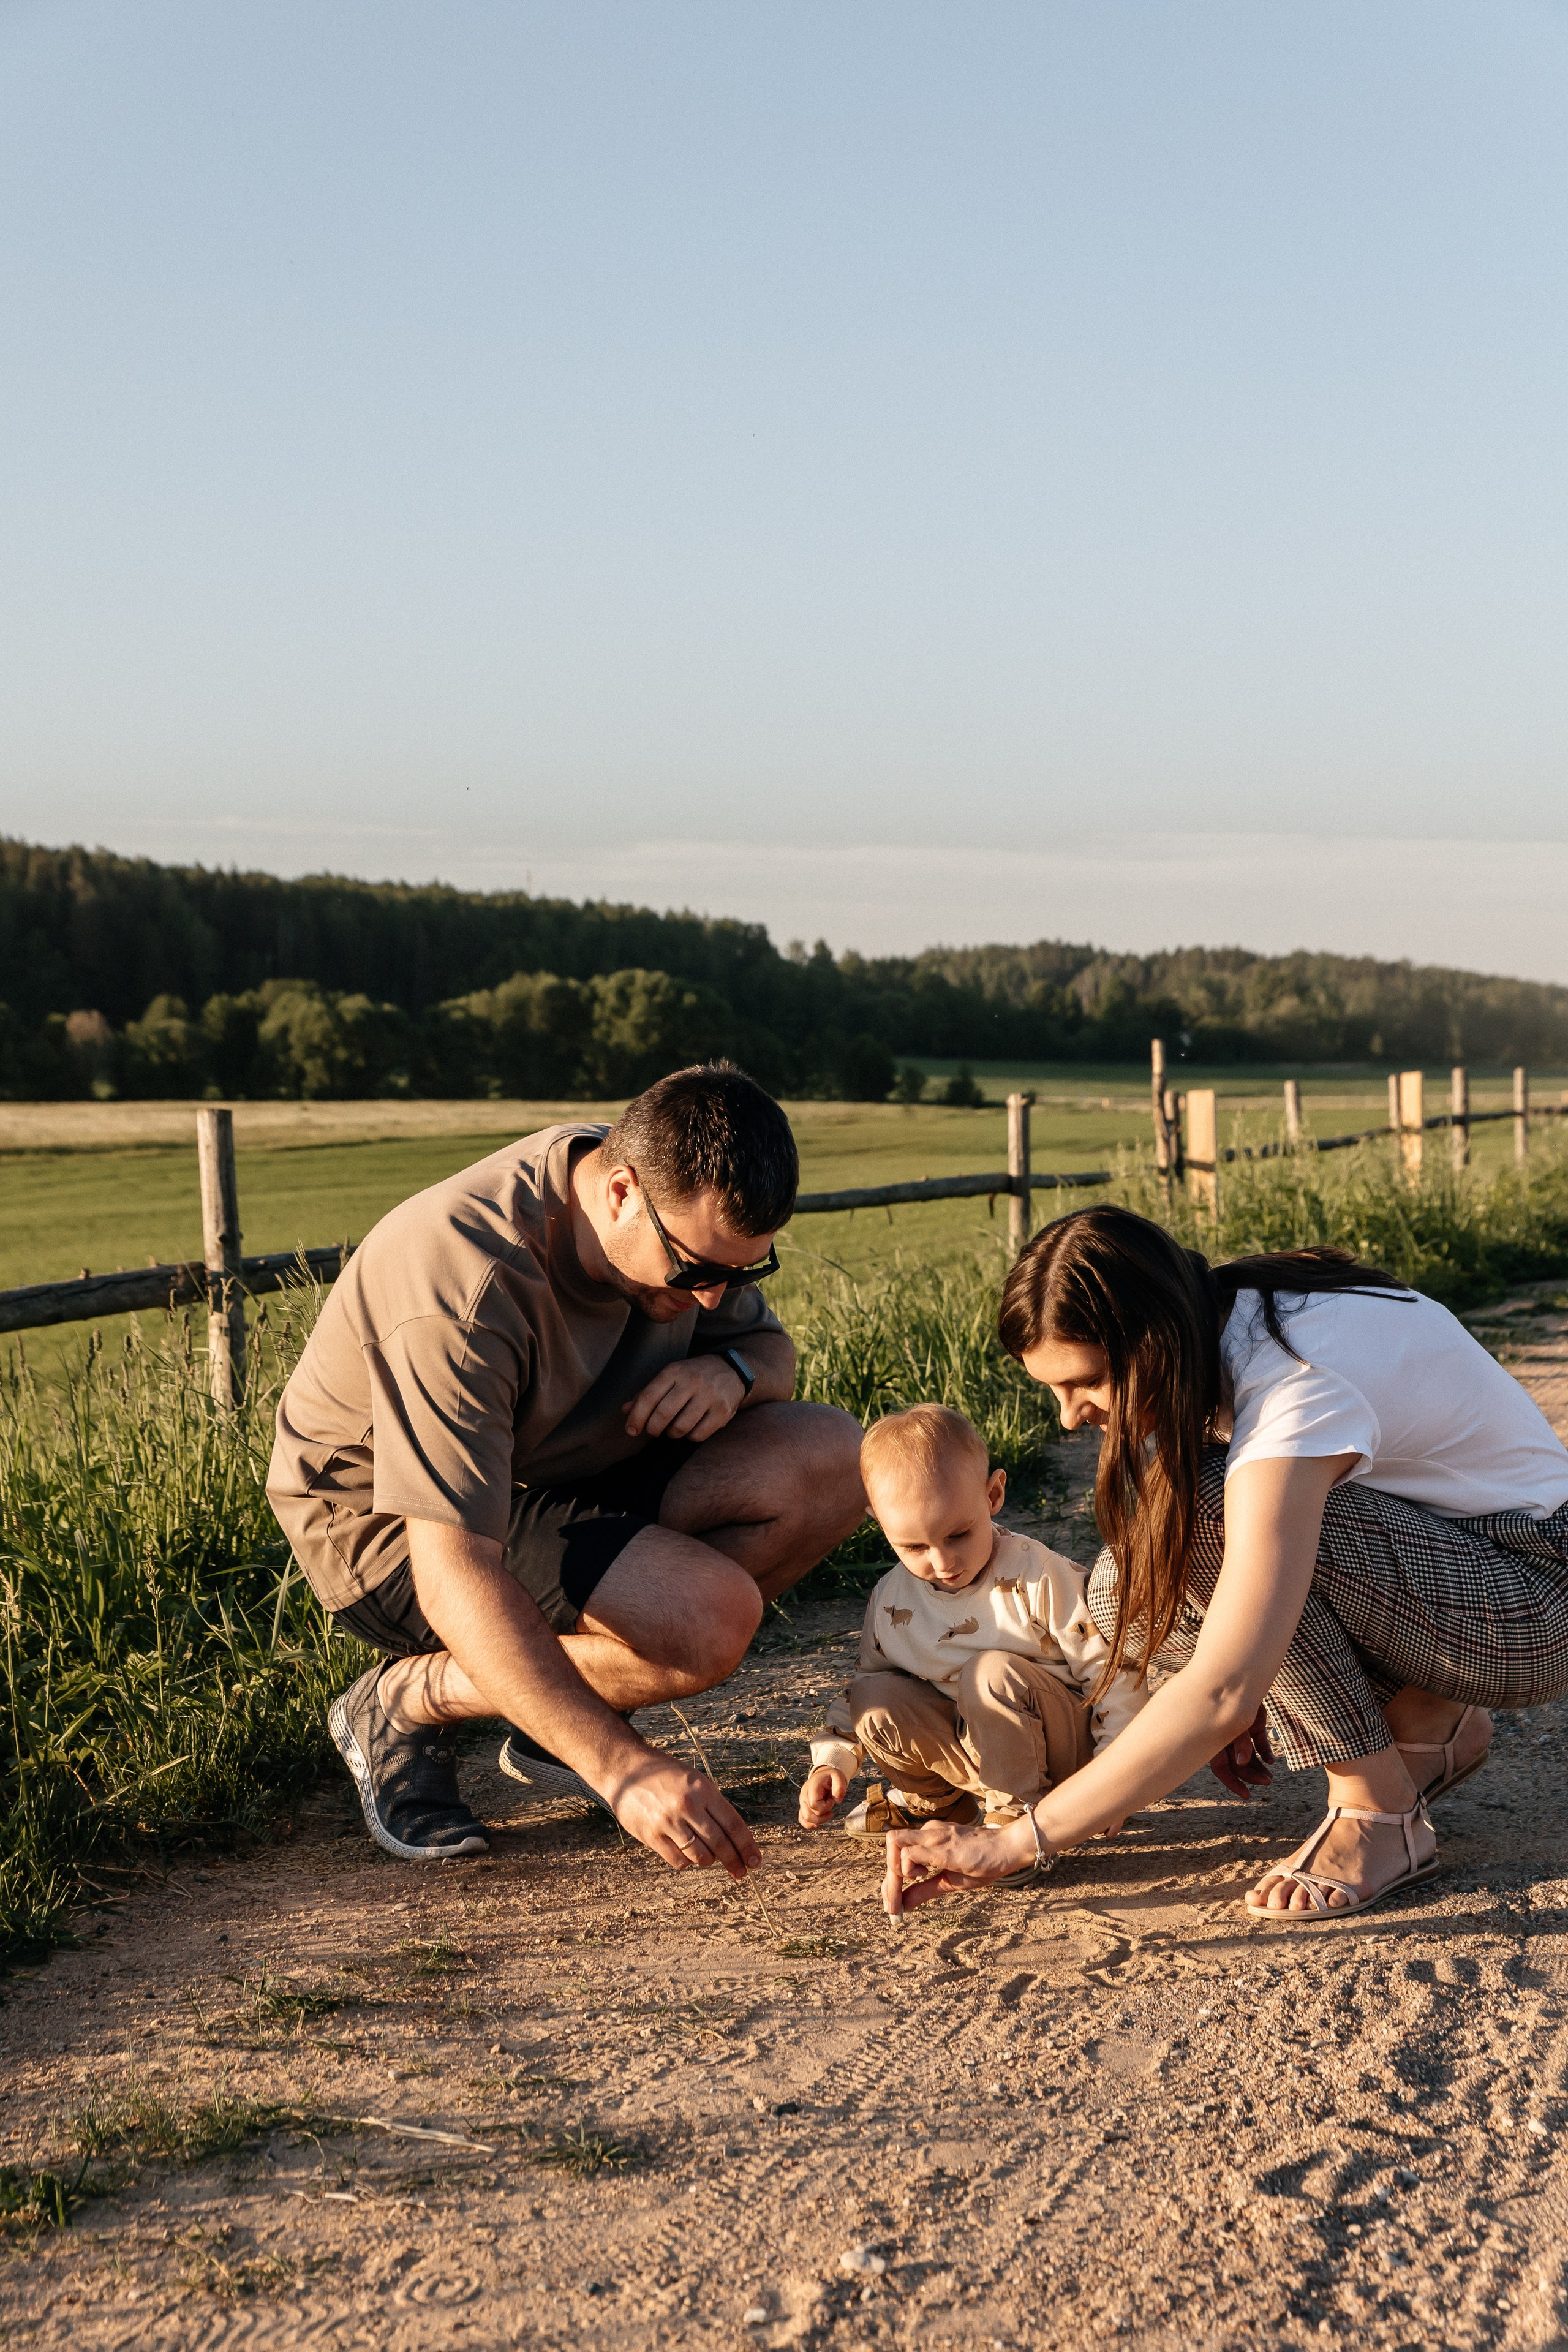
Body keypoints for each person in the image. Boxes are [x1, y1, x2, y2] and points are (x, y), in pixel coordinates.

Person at [883, 1205, 1568, 1926]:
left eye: (1085, 1382)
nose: (1068, 1417)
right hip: (1461, 1569)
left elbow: (1222, 1691)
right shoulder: (1228, 1317)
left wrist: (1017, 1842)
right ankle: (1426, 1724)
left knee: (1205, 1516)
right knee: (1125, 1592)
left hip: (1535, 1601)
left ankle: (1378, 1810)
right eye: (1052, 1390)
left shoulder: (1293, 1384)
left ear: (1154, 1341)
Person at [266, 1062, 864, 1874]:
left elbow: (769, 1353)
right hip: (386, 1530)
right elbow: (453, 1576)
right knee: (707, 1620)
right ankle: (401, 1701)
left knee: (835, 1458)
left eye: (745, 1273)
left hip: (550, 1479)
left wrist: (733, 1374)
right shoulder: (465, 1283)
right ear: (620, 1193)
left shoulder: (673, 1220)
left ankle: (547, 1723)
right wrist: (622, 1769)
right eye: (696, 1272)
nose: (716, 1300)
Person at [797, 1404, 1144, 1866]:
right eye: (914, 1547)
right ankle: (938, 1806)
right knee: (874, 1696)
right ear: (880, 1524)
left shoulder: (1037, 1575)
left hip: (1066, 1750)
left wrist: (1112, 1781)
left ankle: (1018, 1827)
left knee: (990, 1671)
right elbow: (860, 1687)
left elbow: (1110, 1667)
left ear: (993, 1495)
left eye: (959, 1534)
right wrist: (832, 1762)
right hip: (978, 1752)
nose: (942, 1563)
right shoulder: (891, 1598)